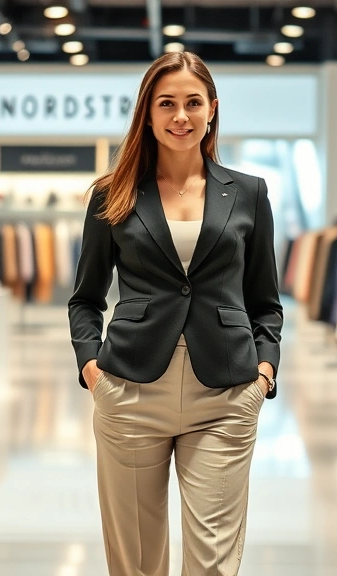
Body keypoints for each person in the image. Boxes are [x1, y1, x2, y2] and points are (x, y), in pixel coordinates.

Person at [68, 51, 284, 576]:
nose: (181, 116)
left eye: (192, 103)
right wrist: (92, 367)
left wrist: (264, 371)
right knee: (136, 561)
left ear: (212, 109)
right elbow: (86, 298)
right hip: (130, 389)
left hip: (226, 392)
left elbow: (265, 300)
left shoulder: (249, 193)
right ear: (147, 112)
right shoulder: (112, 194)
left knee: (213, 561)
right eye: (166, 103)